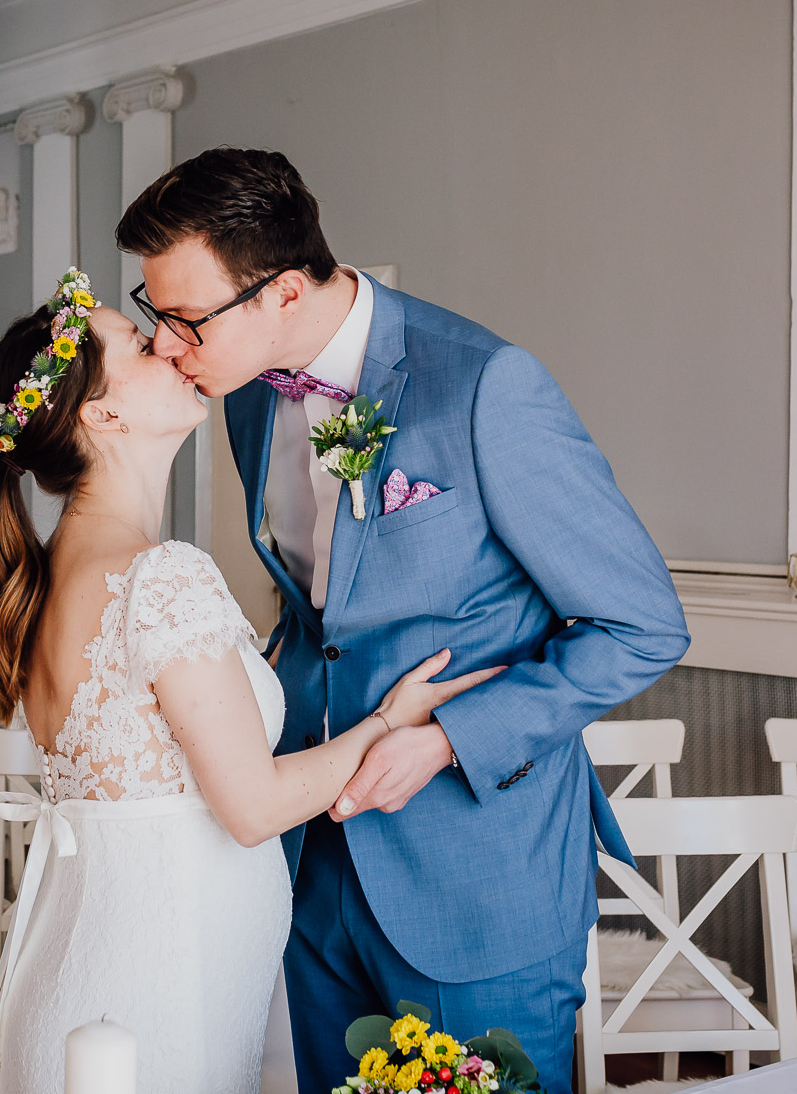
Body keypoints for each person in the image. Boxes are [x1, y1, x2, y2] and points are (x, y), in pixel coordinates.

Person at [117, 148, 691, 1094]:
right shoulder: (251, 398)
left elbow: (642, 625)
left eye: (185, 319)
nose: (168, 345)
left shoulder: (485, 387)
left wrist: (444, 741)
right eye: (155, 315)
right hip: (312, 858)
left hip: (474, 873)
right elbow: (322, 616)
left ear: (285, 292)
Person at [0, 268, 500, 1094]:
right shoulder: (157, 574)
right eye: (145, 344)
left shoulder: (51, 580)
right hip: (159, 992)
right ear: (101, 415)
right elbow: (251, 808)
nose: (174, 347)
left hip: (92, 973)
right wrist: (388, 722)